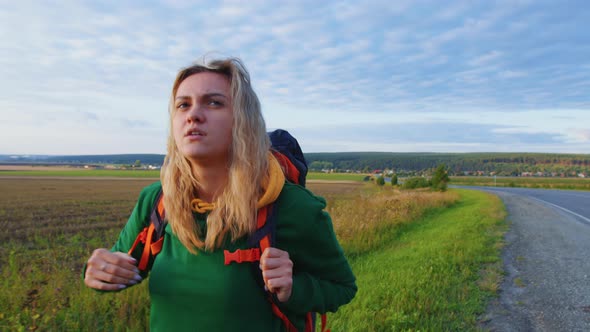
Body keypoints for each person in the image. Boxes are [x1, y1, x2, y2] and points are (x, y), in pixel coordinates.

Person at [83, 57, 357, 331]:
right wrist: (98, 271)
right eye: (183, 105)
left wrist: (293, 288)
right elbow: (119, 265)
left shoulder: (291, 206)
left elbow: (342, 287)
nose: (193, 115)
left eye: (214, 102)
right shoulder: (156, 201)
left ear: (243, 120)